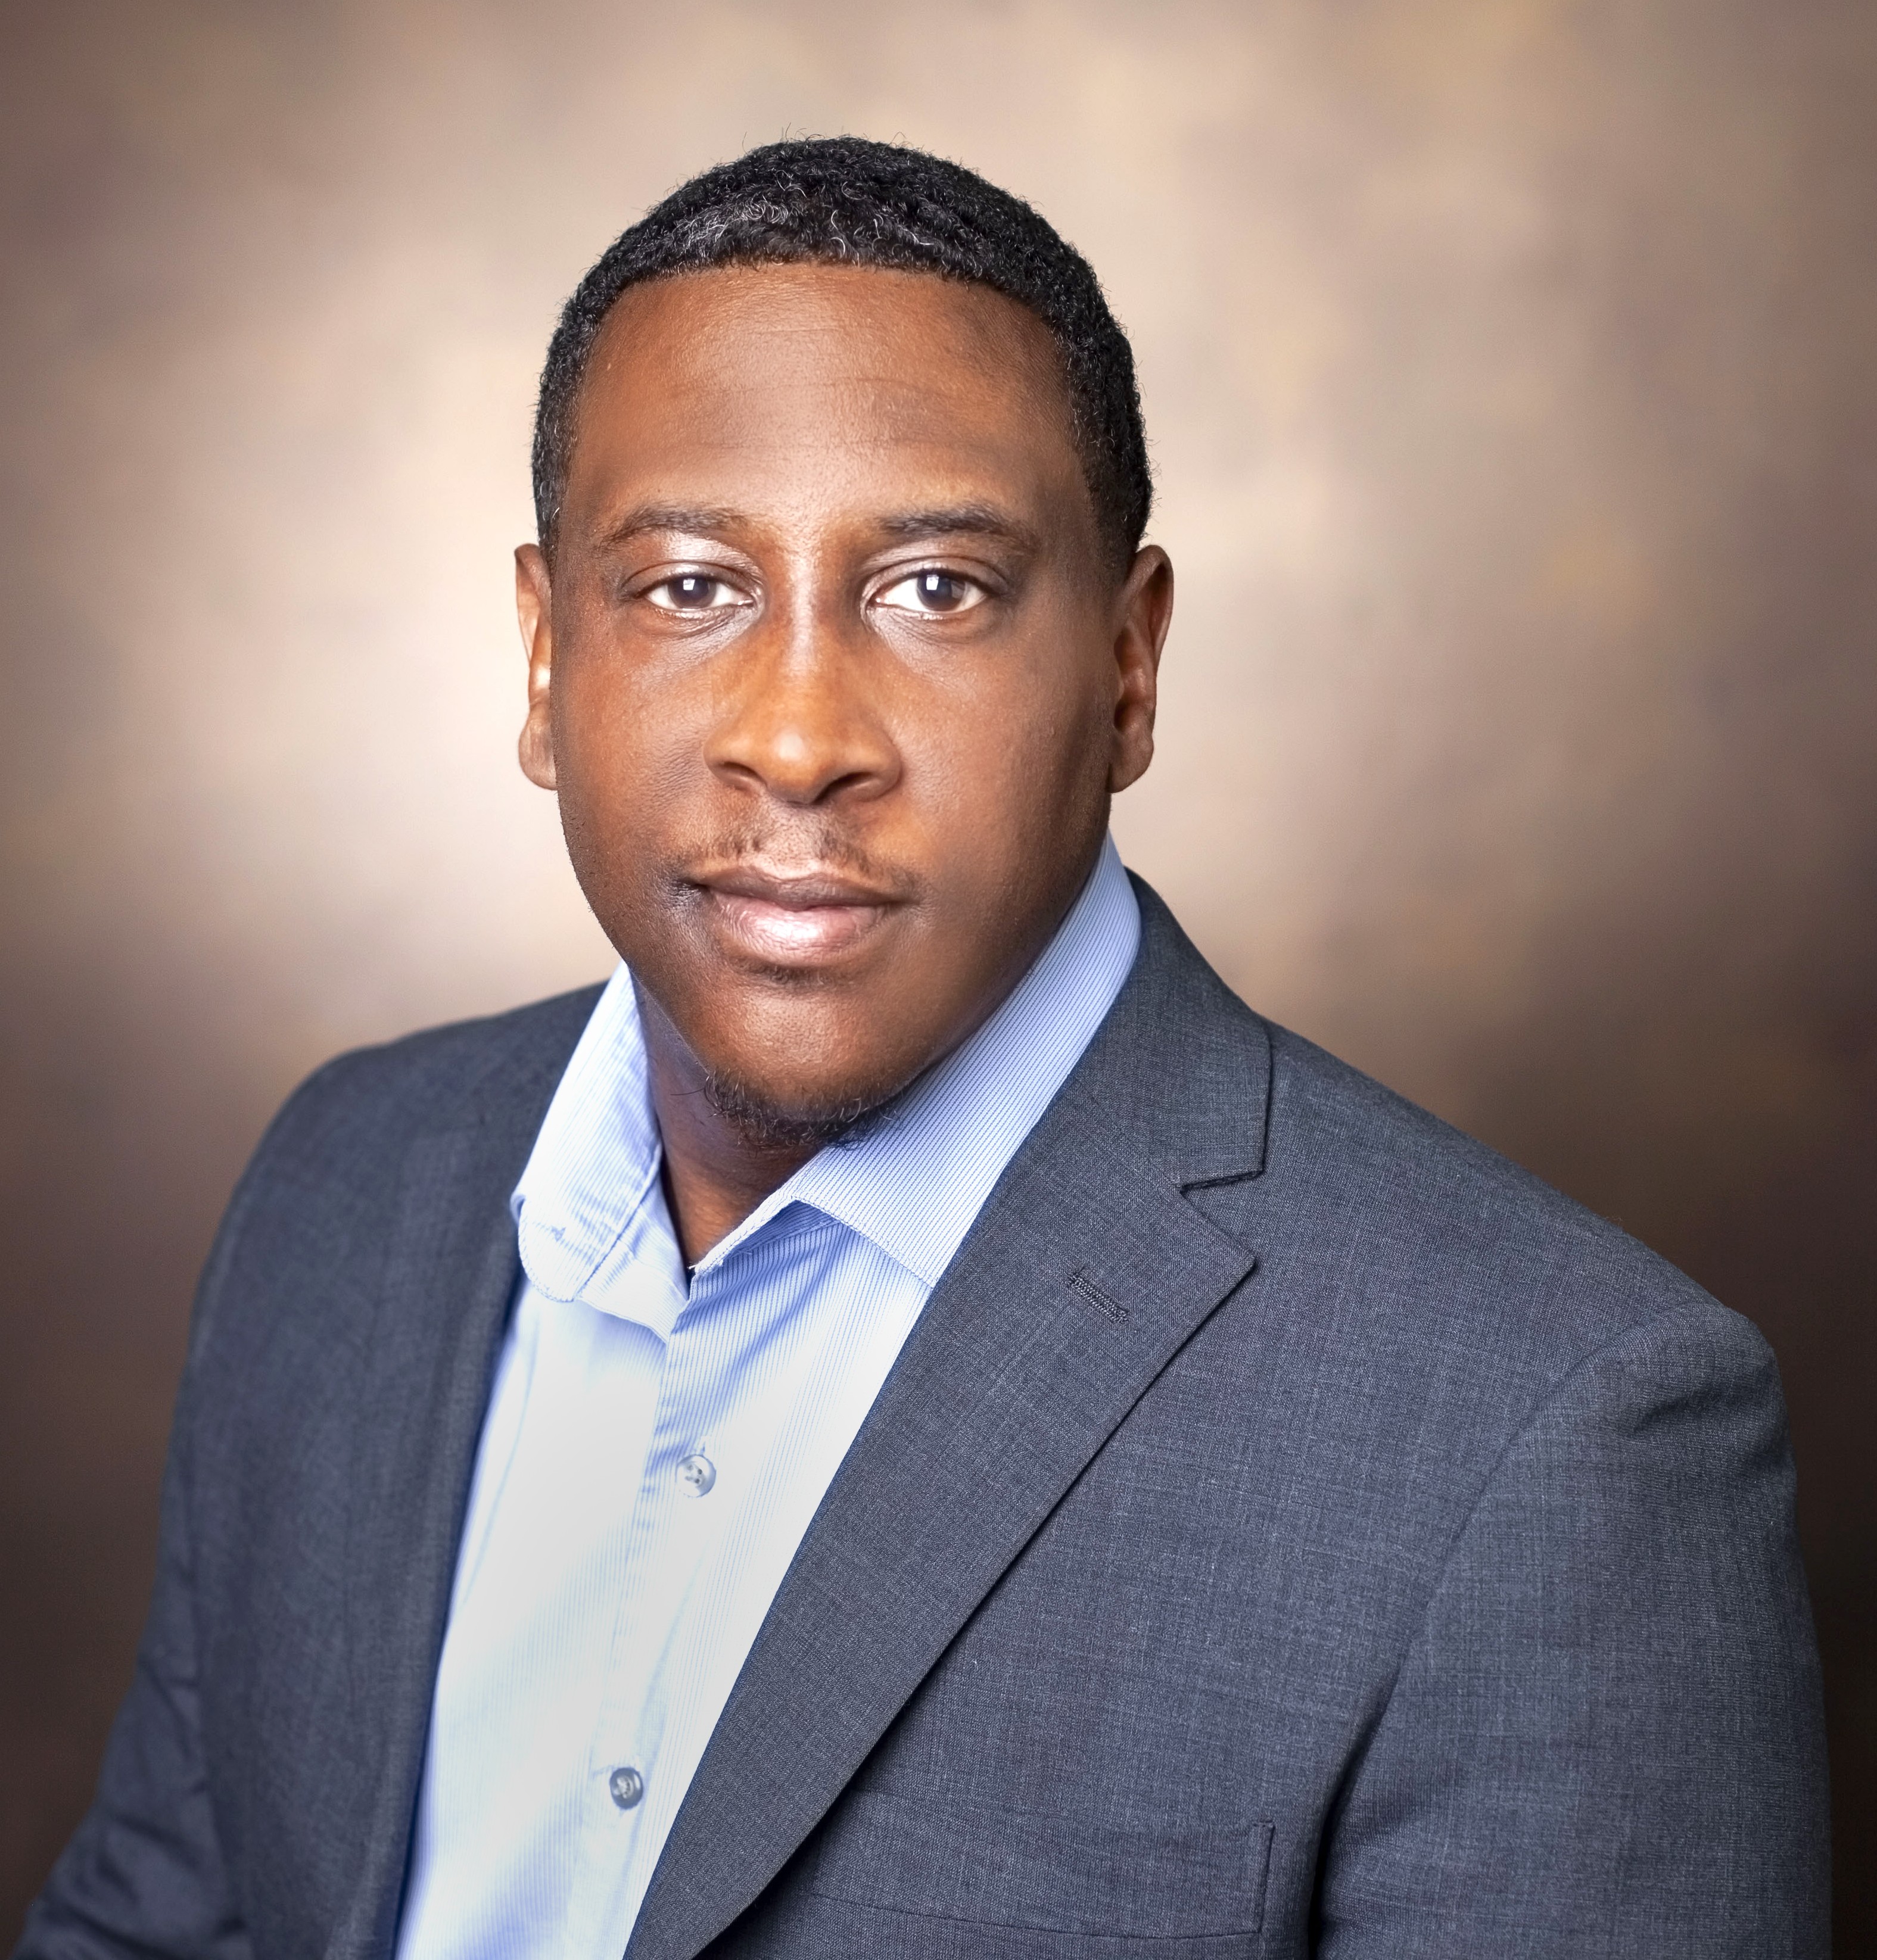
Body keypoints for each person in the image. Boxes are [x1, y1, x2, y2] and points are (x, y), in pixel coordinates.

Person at [17, 137, 1828, 1960]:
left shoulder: (1554, 1433)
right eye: (691, 587)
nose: (802, 738)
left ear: (1128, 667)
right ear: (547, 658)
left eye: (938, 589)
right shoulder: (346, 1183)